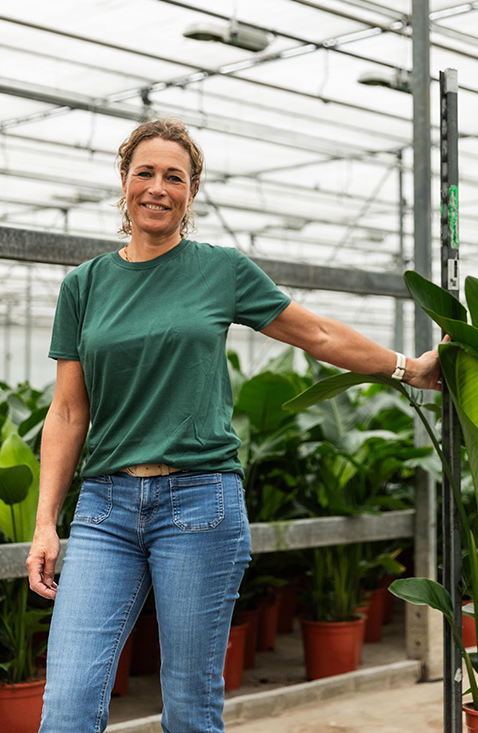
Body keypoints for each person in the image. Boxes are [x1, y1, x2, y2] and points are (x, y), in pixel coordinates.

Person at [27, 117, 444, 733]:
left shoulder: (220, 270)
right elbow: (67, 412)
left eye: (175, 176)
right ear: (123, 181)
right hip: (103, 511)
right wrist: (44, 521)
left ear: (192, 191)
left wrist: (407, 368)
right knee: (66, 706)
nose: (158, 188)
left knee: (192, 710)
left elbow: (318, 333)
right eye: (145, 172)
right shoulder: (84, 286)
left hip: (199, 504)